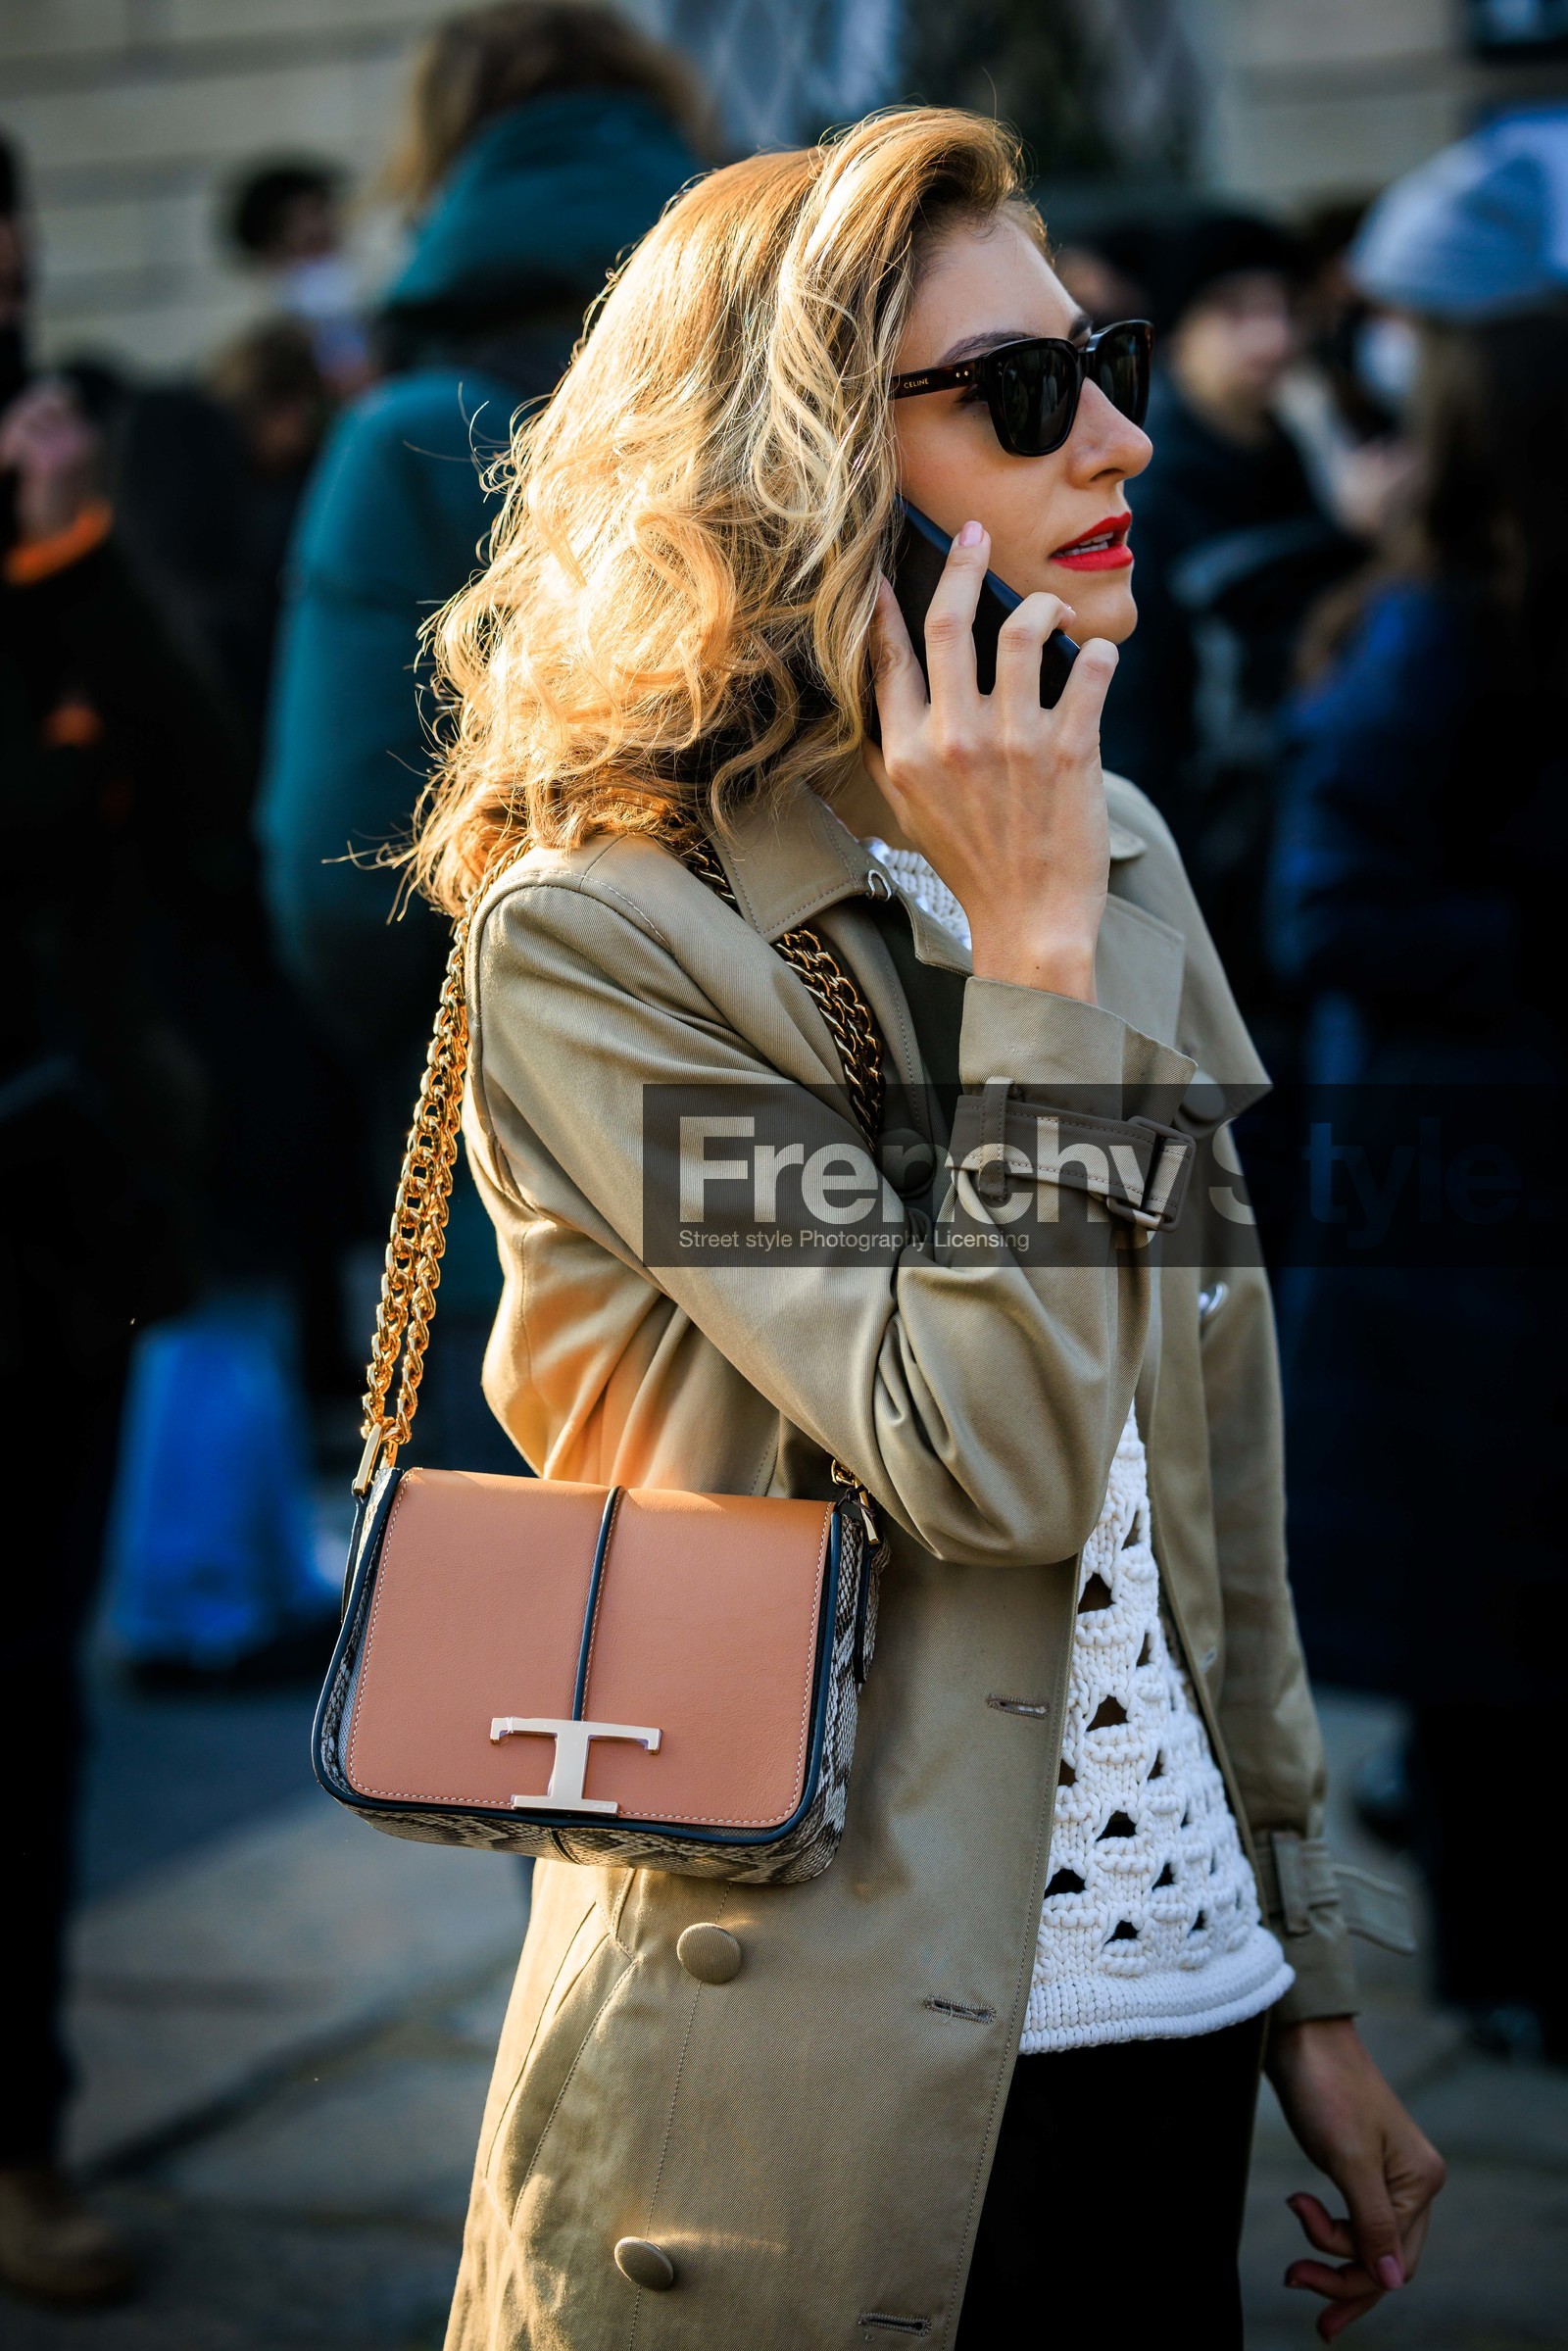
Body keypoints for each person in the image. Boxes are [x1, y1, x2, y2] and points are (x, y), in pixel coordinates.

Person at [403, 111, 1444, 2345]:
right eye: (1022, 391)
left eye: (1111, 358)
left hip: (1166, 1995)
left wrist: (1304, 1977)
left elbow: (1197, 1476)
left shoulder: (1113, 844)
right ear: (797, 463)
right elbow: (982, 1447)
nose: (1127, 438)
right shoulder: (603, 939)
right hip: (807, 2051)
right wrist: (1034, 954)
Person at [259, 0, 704, 1468]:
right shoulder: (786, 397)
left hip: (514, 1195)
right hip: (815, 1180)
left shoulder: (409, 436)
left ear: (447, 161)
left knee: (553, 1673)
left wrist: (420, 1051)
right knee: (823, 1665)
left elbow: (338, 873)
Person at [1269, 112, 1568, 2062]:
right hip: (1465, 1202)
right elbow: (1328, 900)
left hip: (1491, 1196)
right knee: (1496, 1639)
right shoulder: (1444, 620)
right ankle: (1511, 1959)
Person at [0, 131, 249, 2307]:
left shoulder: (58, 540)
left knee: (21, 1697)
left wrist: (71, 557)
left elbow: (190, 799)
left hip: (46, 1221)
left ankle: (21, 2138)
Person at [1100, 211, 1360, 1053]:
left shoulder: (1305, 457)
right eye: (1235, 311)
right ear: (1180, 331)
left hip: (1299, 860)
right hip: (1218, 884)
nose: (1270, 336)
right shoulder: (1153, 489)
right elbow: (1136, 718)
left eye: (1283, 307)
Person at [225, 157, 370, 398]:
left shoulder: (369, 311)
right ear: (270, 249)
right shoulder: (264, 354)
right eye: (311, 242)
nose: (327, 229)